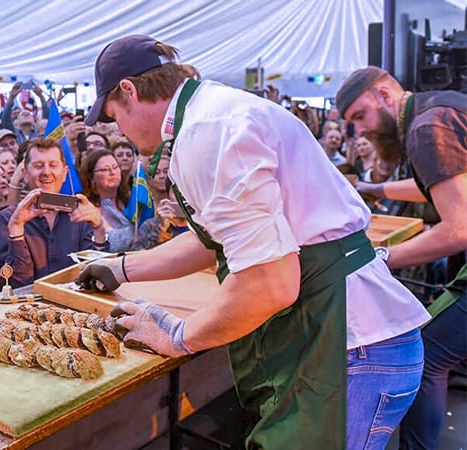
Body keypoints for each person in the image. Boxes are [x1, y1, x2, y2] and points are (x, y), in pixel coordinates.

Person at [77, 35, 429, 449]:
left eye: (115, 115)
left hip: (351, 348)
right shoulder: (217, 110)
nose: (119, 129)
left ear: (130, 91)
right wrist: (122, 267)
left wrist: (178, 334)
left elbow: (271, 283)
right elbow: (212, 241)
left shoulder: (208, 132)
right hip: (356, 337)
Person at [338, 66, 467, 449]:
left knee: (427, 348)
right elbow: (442, 181)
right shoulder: (440, 109)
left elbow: (459, 227)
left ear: (383, 95)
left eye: (359, 116)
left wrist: (378, 256)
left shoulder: (428, 128)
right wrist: (372, 187)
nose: (359, 131)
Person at [0, 137, 109, 287]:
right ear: (25, 173)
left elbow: (96, 277)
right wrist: (16, 230)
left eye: (53, 165)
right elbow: (16, 284)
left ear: (64, 173)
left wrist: (99, 228)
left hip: (74, 304)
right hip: (28, 306)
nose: (46, 172)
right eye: (38, 166)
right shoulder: (7, 218)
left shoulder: (80, 213)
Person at [79, 149, 134, 252]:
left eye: (115, 167)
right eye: (105, 169)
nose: (112, 172)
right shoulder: (87, 210)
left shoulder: (132, 200)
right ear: (91, 178)